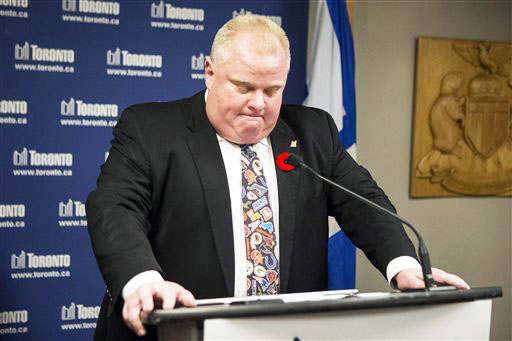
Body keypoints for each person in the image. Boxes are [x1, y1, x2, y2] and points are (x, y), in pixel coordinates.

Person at [86, 14, 469, 340]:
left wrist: (404, 266)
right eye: (243, 87)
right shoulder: (151, 129)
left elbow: (362, 201)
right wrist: (141, 279)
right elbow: (115, 206)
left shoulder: (313, 132)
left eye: (273, 90)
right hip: (177, 332)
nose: (259, 103)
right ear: (209, 72)